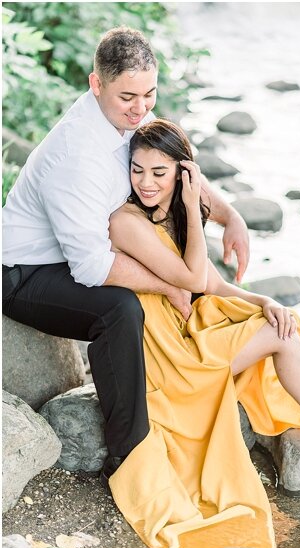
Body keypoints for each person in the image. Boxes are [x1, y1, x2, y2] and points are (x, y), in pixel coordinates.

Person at [103, 118, 300, 548]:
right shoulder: (126, 222)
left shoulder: (170, 214)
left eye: (158, 172)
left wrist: (265, 301)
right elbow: (190, 278)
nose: (146, 182)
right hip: (171, 362)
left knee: (285, 321)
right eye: (137, 170)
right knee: (283, 336)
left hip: (188, 336)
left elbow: (214, 285)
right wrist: (192, 206)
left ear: (182, 172)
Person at [1, 27, 249, 480]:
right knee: (120, 307)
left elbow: (169, 163)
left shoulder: (125, 119)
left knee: (178, 272)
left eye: (149, 95)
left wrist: (230, 217)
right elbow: (92, 266)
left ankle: (199, 403)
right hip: (23, 273)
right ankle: (129, 455)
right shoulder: (77, 156)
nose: (140, 109)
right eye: (128, 97)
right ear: (97, 84)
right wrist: (168, 283)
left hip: (73, 251)